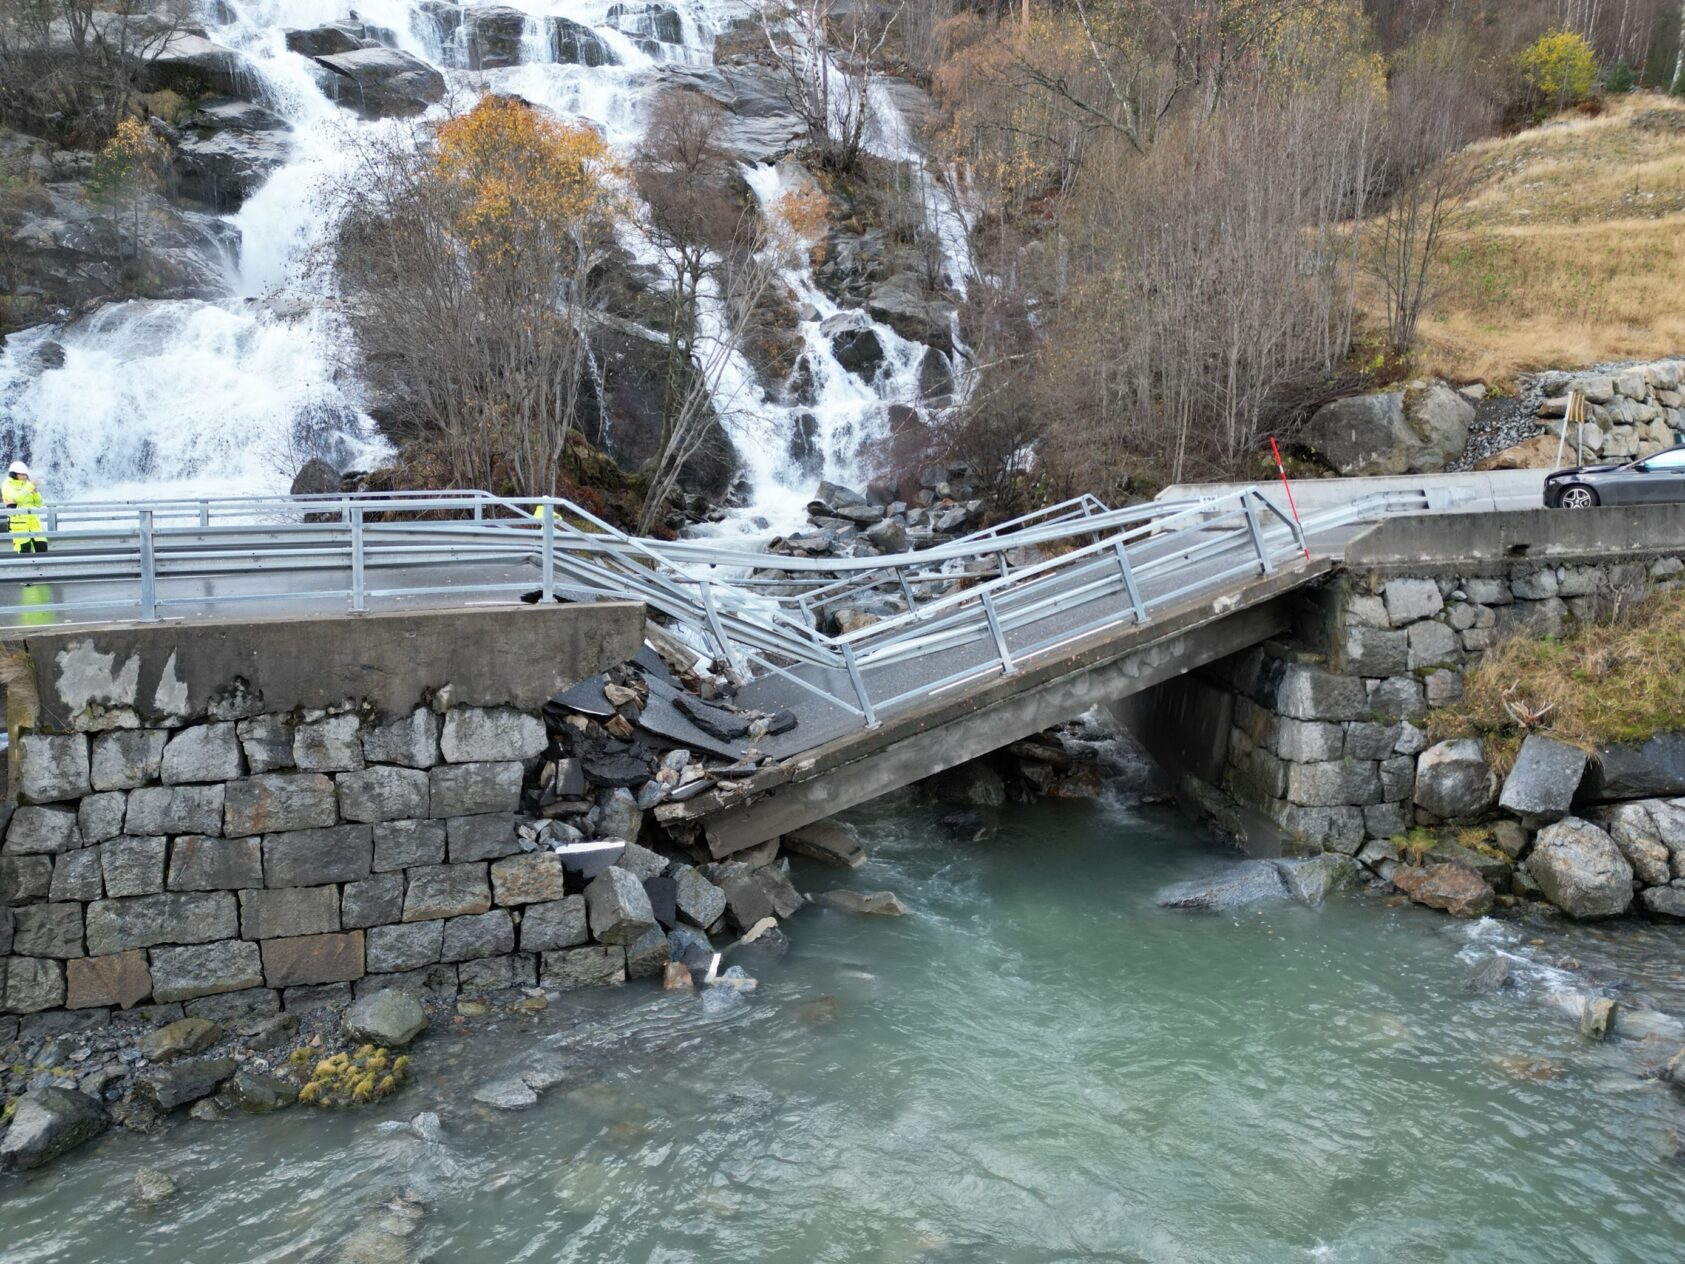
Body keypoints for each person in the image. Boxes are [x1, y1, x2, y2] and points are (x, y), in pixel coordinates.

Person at [2, 461, 46, 554]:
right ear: (14, 474)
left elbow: (39, 504)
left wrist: (36, 493)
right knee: (24, 551)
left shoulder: (28, 484)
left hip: (34, 523)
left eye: (26, 475)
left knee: (42, 549)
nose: (25, 477)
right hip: (19, 525)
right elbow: (16, 499)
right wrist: (30, 486)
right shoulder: (7, 485)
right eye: (22, 475)